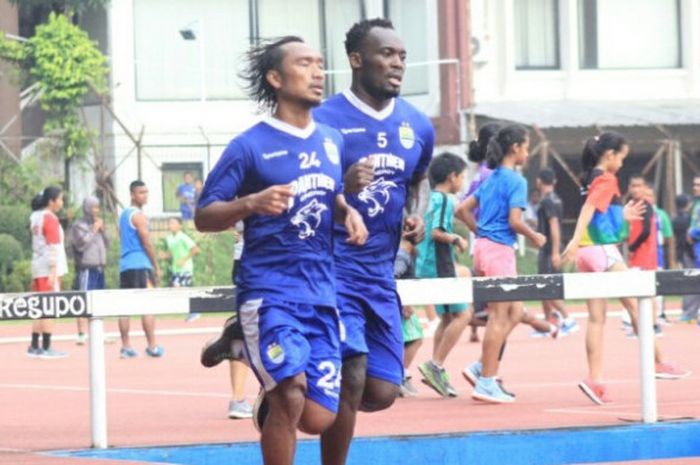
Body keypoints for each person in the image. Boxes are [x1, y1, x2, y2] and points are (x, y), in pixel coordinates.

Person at [195, 36, 367, 465]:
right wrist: (250, 203)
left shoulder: (332, 140)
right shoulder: (249, 146)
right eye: (305, 64)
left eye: (320, 64)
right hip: (268, 289)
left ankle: (245, 350)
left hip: (320, 292)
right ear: (276, 78)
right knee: (291, 393)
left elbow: (328, 191)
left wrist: (346, 209)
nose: (317, 72)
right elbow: (204, 215)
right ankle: (270, 376)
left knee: (318, 418)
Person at [312, 19, 434, 465]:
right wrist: (339, 187)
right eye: (387, 54)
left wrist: (416, 211)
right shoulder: (323, 121)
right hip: (332, 267)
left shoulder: (417, 125)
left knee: (381, 391)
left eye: (402, 55)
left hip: (380, 274)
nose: (398, 63)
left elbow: (420, 178)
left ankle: (294, 385)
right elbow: (297, 194)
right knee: (353, 373)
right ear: (357, 60)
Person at [562, 133, 689, 405]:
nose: (621, 163)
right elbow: (589, 208)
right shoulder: (607, 178)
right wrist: (572, 240)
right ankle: (659, 361)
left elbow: (599, 214)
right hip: (601, 249)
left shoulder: (588, 177)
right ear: (609, 154)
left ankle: (594, 380)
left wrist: (623, 215)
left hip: (587, 253)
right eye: (621, 157)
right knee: (635, 305)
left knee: (597, 319)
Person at [456, 124, 546, 404]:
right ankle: (486, 382)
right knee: (499, 317)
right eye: (527, 147)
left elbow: (462, 210)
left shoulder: (491, 177)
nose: (528, 153)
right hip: (499, 252)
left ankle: (482, 366)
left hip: (483, 250)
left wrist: (480, 233)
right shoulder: (516, 181)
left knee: (515, 311)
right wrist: (535, 236)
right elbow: (515, 221)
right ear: (516, 148)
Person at [415, 152, 470, 398]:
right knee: (463, 315)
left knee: (448, 318)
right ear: (452, 177)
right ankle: (435, 364)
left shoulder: (429, 198)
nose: (463, 182)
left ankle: (436, 369)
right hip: (439, 264)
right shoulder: (446, 200)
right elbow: (436, 232)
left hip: (428, 263)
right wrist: (456, 238)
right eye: (462, 177)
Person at [463, 123, 501, 344]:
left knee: (499, 309)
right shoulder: (491, 175)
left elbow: (464, 206)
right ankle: (485, 370)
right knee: (504, 311)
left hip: (483, 238)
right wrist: (482, 231)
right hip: (492, 240)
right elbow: (463, 208)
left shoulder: (483, 172)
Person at [118, 180, 163, 359]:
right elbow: (147, 242)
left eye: (146, 192)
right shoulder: (138, 216)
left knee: (125, 308)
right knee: (147, 306)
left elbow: (121, 236)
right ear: (132, 194)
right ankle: (152, 346)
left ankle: (126, 346)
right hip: (141, 264)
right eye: (141, 192)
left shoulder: (123, 215)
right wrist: (156, 265)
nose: (145, 195)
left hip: (125, 265)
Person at [535, 168, 578, 335]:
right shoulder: (557, 200)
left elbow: (554, 226)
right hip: (548, 248)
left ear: (539, 181)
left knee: (546, 287)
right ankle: (548, 323)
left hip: (548, 249)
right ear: (554, 181)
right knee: (543, 285)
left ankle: (568, 319)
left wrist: (554, 252)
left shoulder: (547, 201)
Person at [27, 187, 68, 359]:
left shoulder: (35, 216)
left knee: (39, 307)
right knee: (49, 307)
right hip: (47, 268)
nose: (62, 202)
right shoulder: (50, 218)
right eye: (60, 199)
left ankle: (35, 344)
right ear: (51, 201)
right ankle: (46, 346)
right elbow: (53, 247)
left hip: (37, 265)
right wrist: (53, 271)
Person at [69, 196, 109, 345]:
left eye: (98, 207)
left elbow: (108, 243)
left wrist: (103, 231)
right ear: (87, 208)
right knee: (83, 299)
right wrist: (93, 230)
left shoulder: (98, 223)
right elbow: (80, 244)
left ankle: (99, 332)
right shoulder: (78, 226)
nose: (96, 210)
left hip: (99, 267)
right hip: (86, 267)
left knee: (100, 301)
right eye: (94, 207)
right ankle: (81, 334)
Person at [393, 238, 422, 398]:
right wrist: (405, 301)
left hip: (400, 299)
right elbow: (395, 275)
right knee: (415, 338)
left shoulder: (411, 251)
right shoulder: (402, 252)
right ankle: (400, 377)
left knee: (405, 339)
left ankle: (399, 375)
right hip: (399, 300)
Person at [160, 217, 200, 322]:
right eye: (169, 223)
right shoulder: (169, 238)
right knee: (180, 289)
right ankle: (192, 311)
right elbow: (171, 253)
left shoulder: (183, 237)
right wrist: (164, 255)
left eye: (173, 223)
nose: (170, 225)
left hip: (186, 268)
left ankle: (195, 312)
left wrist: (184, 259)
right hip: (175, 269)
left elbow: (195, 249)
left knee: (182, 289)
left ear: (179, 226)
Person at [673, 193, 698, 322]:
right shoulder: (688, 219)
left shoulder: (675, 219)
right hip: (690, 253)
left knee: (687, 282)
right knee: (692, 283)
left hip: (681, 252)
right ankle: (690, 312)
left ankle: (687, 311)